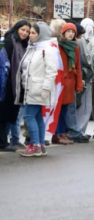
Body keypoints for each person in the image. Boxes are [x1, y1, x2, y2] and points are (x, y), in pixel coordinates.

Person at [15, 22, 59, 157]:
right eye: (30, 32)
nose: (30, 35)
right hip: (31, 88)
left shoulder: (47, 49)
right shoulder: (34, 47)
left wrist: (45, 88)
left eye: (33, 33)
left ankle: (34, 145)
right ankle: (40, 144)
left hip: (38, 89)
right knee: (37, 116)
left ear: (41, 35)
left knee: (28, 116)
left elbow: (52, 71)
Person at [0, 20, 30, 152]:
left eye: (27, 31)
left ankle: (4, 141)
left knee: (8, 115)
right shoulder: (9, 42)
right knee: (3, 115)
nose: (24, 33)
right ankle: (2, 143)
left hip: (15, 87)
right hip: (6, 84)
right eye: (22, 30)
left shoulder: (23, 45)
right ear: (16, 29)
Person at [53, 23, 84, 145]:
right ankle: (57, 134)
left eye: (72, 32)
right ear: (63, 33)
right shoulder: (57, 46)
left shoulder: (75, 47)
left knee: (66, 110)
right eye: (68, 32)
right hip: (60, 82)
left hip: (70, 83)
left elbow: (78, 67)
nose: (70, 34)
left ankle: (62, 133)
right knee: (59, 110)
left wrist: (78, 85)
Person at [76, 18, 94, 138]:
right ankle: (80, 130)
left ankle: (79, 129)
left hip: (80, 75)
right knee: (85, 105)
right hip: (85, 76)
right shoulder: (82, 41)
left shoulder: (81, 40)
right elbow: (88, 59)